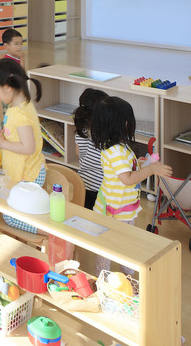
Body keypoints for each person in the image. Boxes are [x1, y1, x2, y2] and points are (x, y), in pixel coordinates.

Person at [90, 96, 172, 275]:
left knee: (124, 243)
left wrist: (141, 163)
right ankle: (103, 280)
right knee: (107, 248)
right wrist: (151, 169)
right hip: (114, 211)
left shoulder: (119, 147)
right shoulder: (116, 151)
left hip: (122, 208)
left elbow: (126, 170)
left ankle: (127, 276)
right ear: (122, 123)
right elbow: (127, 179)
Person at [0, 58, 45, 233]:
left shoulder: (19, 113)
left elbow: (28, 148)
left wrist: (2, 142)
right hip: (24, 171)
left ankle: (51, 234)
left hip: (28, 174)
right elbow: (18, 136)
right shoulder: (20, 106)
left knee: (10, 216)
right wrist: (3, 137)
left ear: (7, 87)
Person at [73, 88, 110, 210]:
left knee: (85, 214)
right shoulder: (104, 136)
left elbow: (78, 152)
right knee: (98, 216)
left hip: (82, 182)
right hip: (100, 186)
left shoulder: (81, 131)